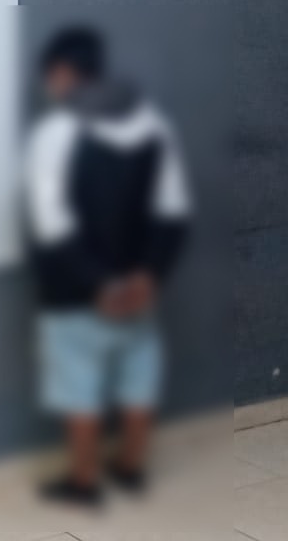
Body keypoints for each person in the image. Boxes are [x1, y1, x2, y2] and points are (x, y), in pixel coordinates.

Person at [26, 26, 191, 506]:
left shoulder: (55, 133)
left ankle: (83, 480)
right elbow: (172, 211)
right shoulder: (153, 125)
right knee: (139, 376)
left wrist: (100, 284)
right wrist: (148, 276)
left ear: (63, 73)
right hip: (140, 285)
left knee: (79, 382)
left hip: (77, 290)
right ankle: (131, 467)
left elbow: (51, 224)